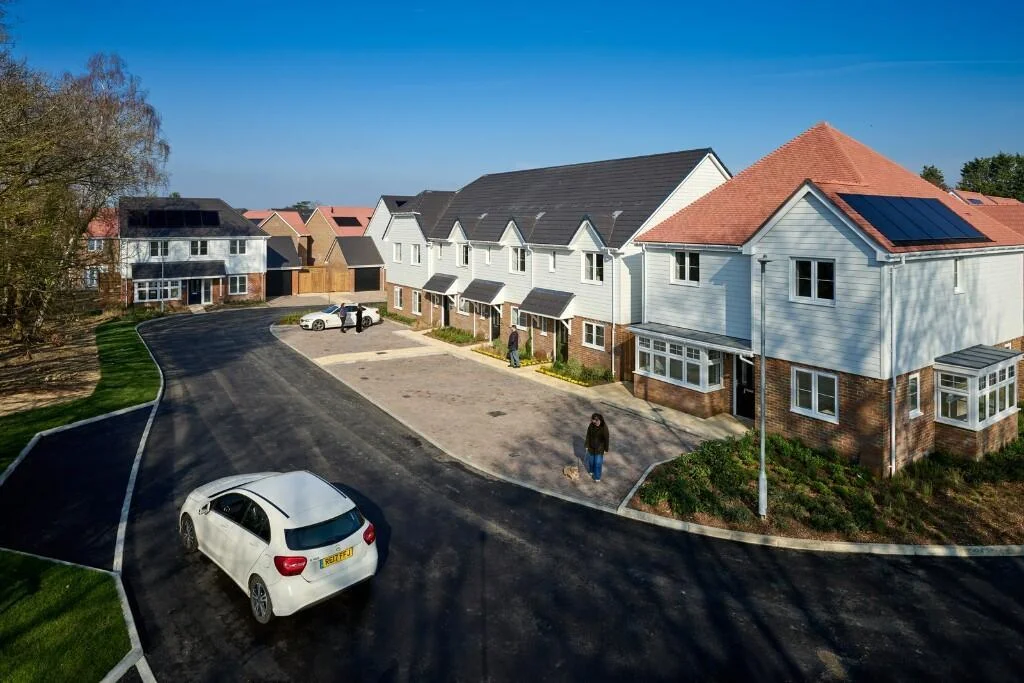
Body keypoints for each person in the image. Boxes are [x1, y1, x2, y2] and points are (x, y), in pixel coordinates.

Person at [584, 412, 609, 482]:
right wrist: (586, 445)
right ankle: (592, 471)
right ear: (592, 421)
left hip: (600, 448)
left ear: (600, 420)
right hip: (591, 447)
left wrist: (606, 449)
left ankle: (597, 477)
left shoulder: (604, 428)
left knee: (597, 463)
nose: (597, 422)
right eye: (595, 421)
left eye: (598, 420)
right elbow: (588, 435)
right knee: (591, 462)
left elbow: (606, 439)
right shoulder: (591, 425)